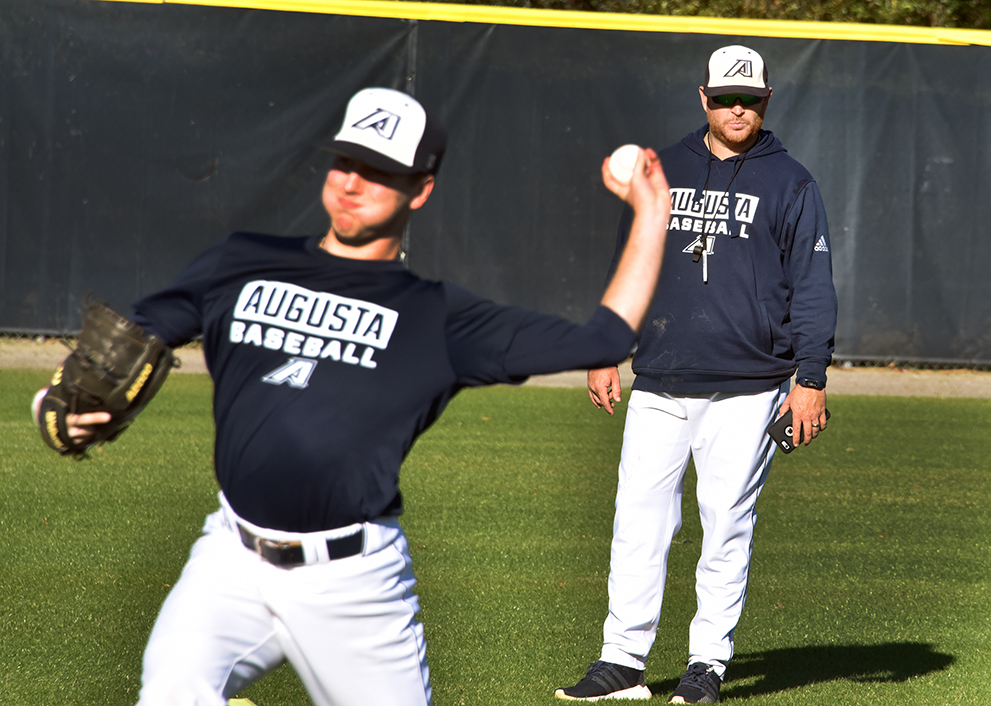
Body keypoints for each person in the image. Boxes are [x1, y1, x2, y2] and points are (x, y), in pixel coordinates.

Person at [41, 87, 671, 706]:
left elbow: (605, 337)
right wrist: (58, 405)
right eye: (346, 162)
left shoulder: (437, 318)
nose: (351, 182)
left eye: (378, 172)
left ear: (419, 189)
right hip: (230, 558)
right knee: (171, 692)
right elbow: (129, 341)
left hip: (354, 582)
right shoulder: (242, 262)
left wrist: (652, 216)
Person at [555, 46, 837, 704]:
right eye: (723, 96)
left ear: (765, 100)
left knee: (724, 526)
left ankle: (705, 663)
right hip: (658, 381)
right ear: (701, 97)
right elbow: (633, 258)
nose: (736, 107)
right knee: (637, 523)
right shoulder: (665, 169)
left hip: (750, 387)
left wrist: (811, 376)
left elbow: (813, 286)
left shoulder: (791, 182)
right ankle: (621, 662)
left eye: (749, 97)